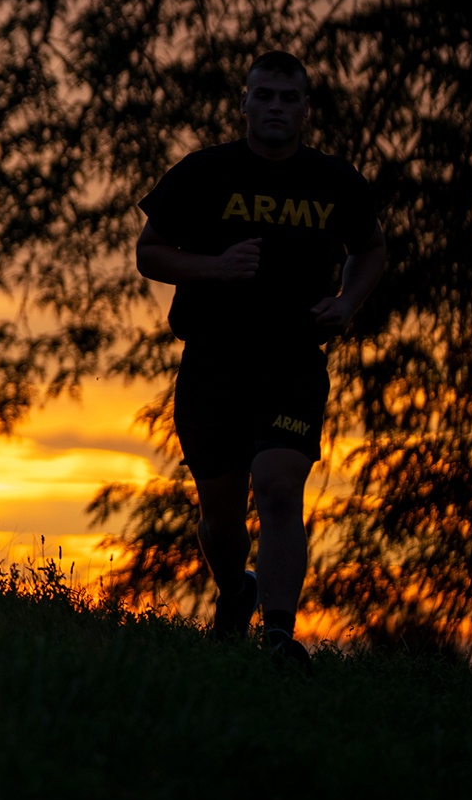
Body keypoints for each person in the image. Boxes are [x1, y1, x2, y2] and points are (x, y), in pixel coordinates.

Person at [135, 51, 386, 663]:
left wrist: (347, 302)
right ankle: (235, 589)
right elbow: (150, 252)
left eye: (288, 97)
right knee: (221, 519)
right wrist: (216, 268)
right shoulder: (203, 172)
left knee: (278, 488)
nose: (276, 107)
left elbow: (371, 249)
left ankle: (278, 638)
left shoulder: (334, 180)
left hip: (292, 361)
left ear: (306, 109)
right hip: (213, 361)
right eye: (265, 95)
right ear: (244, 102)